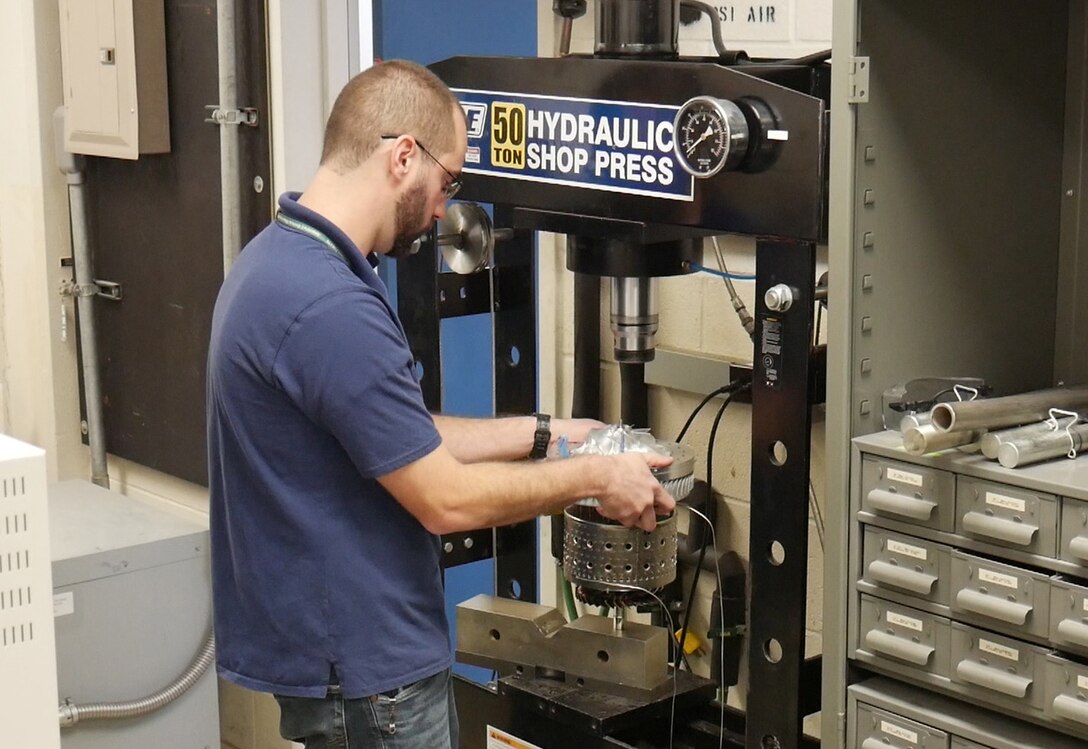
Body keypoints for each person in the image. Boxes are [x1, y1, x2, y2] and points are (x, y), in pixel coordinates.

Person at [206, 59, 675, 749]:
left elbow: (398, 433)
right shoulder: (328, 304)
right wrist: (599, 476)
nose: (441, 208)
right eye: (447, 181)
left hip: (344, 664)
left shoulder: (279, 263)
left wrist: (550, 434)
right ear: (402, 156)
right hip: (372, 678)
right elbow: (445, 500)